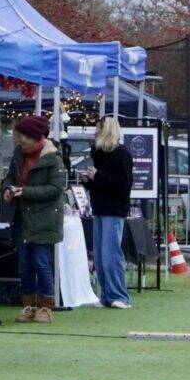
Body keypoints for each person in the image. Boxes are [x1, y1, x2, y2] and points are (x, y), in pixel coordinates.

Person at [4, 113, 67, 323]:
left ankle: (46, 307)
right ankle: (29, 305)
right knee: (25, 263)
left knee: (41, 262)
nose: (18, 139)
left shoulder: (53, 157)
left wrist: (26, 192)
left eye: (22, 136)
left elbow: (56, 189)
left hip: (44, 219)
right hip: (22, 217)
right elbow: (9, 177)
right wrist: (7, 188)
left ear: (34, 136)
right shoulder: (18, 154)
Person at [82, 116, 135, 309]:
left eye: (97, 128)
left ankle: (120, 296)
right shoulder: (99, 153)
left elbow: (123, 184)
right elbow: (102, 183)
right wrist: (88, 181)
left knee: (111, 254)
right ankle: (106, 295)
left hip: (114, 210)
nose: (95, 132)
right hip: (99, 208)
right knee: (100, 256)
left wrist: (97, 176)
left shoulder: (122, 154)